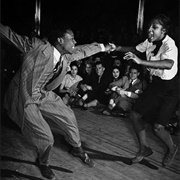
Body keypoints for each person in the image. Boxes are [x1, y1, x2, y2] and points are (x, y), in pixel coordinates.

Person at [0, 23, 115, 179]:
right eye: (72, 39)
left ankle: (76, 147)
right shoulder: (37, 46)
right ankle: (43, 162)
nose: (75, 42)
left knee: (68, 115)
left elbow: (83, 50)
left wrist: (103, 47)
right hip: (25, 95)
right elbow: (11, 35)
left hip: (43, 93)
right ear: (60, 40)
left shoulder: (66, 56)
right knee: (47, 137)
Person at [115, 14, 179, 166]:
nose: (150, 30)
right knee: (135, 115)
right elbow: (135, 49)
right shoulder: (150, 41)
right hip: (156, 84)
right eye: (150, 27)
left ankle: (172, 148)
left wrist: (141, 61)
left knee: (157, 128)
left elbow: (168, 63)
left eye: (154, 28)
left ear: (163, 31)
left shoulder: (170, 45)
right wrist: (116, 47)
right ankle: (144, 148)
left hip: (171, 88)